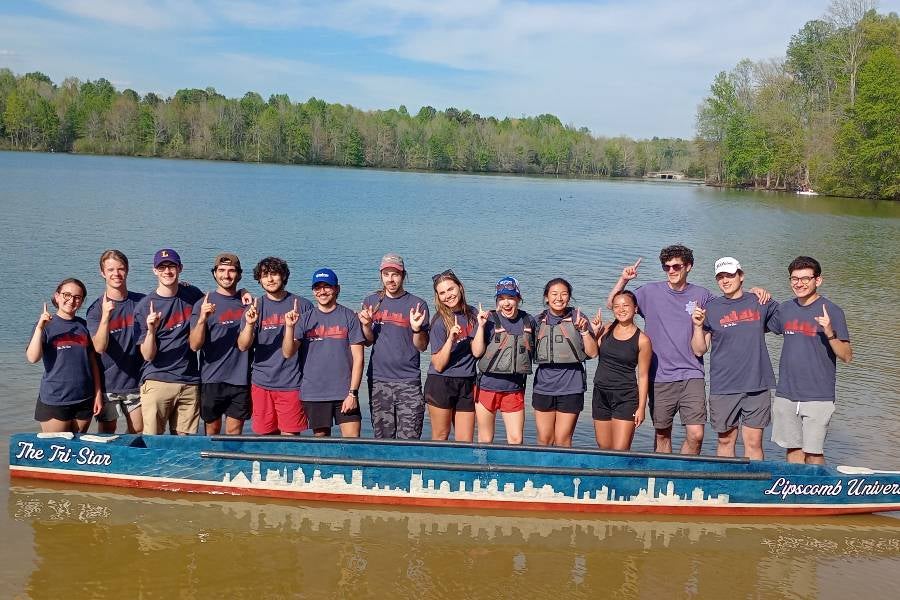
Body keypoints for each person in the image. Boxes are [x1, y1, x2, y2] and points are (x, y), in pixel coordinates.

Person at [608, 245, 769, 455]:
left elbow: (729, 304)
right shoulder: (649, 292)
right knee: (662, 434)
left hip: (692, 374)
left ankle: (684, 473)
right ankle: (664, 477)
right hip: (660, 376)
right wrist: (624, 280)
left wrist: (754, 293)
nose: (671, 271)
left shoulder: (702, 296)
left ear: (689, 267)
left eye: (676, 266)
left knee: (696, 434)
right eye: (667, 267)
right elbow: (615, 305)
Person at [690, 257, 778, 459]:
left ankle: (755, 488)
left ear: (741, 276)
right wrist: (696, 326)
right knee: (725, 440)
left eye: (729, 275)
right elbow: (699, 350)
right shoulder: (711, 308)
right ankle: (725, 486)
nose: (725, 280)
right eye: (720, 277)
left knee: (754, 442)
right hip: (724, 385)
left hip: (756, 384)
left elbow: (788, 321)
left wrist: (763, 292)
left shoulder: (759, 301)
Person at [768, 256, 851, 465]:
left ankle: (821, 494)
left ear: (818, 280)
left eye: (805, 278)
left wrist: (830, 332)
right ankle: (796, 494)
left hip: (818, 395)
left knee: (814, 453)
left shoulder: (832, 311)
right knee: (793, 449)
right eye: (794, 279)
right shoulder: (785, 309)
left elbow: (847, 356)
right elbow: (757, 322)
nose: (799, 283)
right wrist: (759, 294)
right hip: (786, 393)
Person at [283, 268, 365, 437]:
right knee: (321, 444)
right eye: (317, 287)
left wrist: (353, 393)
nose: (322, 291)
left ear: (337, 289)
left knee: (353, 442)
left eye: (327, 286)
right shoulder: (305, 319)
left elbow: (359, 359)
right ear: (313, 291)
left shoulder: (349, 317)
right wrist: (290, 327)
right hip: (314, 393)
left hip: (345, 392)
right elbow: (287, 353)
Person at [358, 253, 430, 439]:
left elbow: (422, 346)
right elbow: (368, 341)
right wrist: (366, 325)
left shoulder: (418, 304)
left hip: (408, 381)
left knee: (410, 438)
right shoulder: (371, 301)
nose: (390, 279)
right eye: (386, 274)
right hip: (378, 380)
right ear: (381, 275)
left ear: (403, 275)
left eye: (395, 274)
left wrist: (416, 329)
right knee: (383, 439)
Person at [133, 249, 205, 435]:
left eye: (171, 266)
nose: (167, 271)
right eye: (162, 267)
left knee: (184, 445)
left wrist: (243, 291)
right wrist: (151, 330)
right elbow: (147, 355)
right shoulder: (145, 306)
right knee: (153, 442)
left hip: (189, 381)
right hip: (157, 380)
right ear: (154, 271)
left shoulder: (191, 294)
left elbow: (217, 300)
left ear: (180, 268)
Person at [237, 256, 311, 435]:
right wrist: (250, 324)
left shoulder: (303, 305)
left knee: (290, 437)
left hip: (292, 383)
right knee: (265, 437)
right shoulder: (255, 307)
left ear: (284, 276)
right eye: (264, 275)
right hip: (262, 383)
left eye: (274, 274)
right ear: (259, 280)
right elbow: (243, 345)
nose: (270, 279)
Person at [26, 278, 103, 433]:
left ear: (81, 301)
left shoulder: (84, 325)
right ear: (57, 296)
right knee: (56, 452)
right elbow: (33, 358)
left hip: (84, 398)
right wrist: (40, 327)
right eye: (66, 295)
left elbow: (92, 361)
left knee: (76, 451)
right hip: (55, 399)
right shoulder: (46, 325)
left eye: (77, 297)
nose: (71, 300)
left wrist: (98, 393)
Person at [189, 253, 251, 435]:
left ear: (239, 274)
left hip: (240, 379)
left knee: (234, 433)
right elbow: (194, 345)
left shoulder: (248, 303)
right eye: (221, 270)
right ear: (214, 273)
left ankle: (233, 464)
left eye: (231, 271)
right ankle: (213, 464)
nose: (226, 275)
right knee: (212, 432)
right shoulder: (203, 304)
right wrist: (202, 319)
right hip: (211, 379)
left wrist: (246, 293)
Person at [532, 278, 598, 447]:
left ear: (569, 297)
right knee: (544, 439)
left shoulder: (578, 318)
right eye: (554, 294)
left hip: (571, 386)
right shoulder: (537, 321)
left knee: (563, 440)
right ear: (546, 297)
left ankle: (562, 472)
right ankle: (542, 472)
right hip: (544, 386)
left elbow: (592, 352)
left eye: (564, 294)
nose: (559, 298)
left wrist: (584, 331)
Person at [86, 249, 145, 434]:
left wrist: (182, 287)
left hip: (136, 382)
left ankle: (132, 462)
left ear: (127, 270)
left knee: (138, 430)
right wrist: (106, 317)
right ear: (102, 272)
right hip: (107, 384)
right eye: (110, 269)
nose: (116, 274)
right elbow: (99, 347)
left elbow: (164, 299)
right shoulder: (96, 309)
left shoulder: (140, 302)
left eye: (120, 269)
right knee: (106, 432)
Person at [471, 276, 535, 444]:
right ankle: (482, 470)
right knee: (485, 438)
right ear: (497, 300)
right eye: (502, 298)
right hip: (486, 387)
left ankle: (511, 470)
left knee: (516, 439)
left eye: (511, 298)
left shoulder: (529, 321)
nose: (506, 303)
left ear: (519, 298)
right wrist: (481, 326)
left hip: (513, 389)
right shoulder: (489, 319)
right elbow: (477, 352)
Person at [590, 290, 651, 451]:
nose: (621, 309)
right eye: (616, 306)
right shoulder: (607, 329)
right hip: (601, 394)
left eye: (626, 305)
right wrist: (594, 333)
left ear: (635, 308)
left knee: (620, 450)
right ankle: (604, 477)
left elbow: (643, 376)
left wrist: (641, 408)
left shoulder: (643, 340)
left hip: (626, 398)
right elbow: (592, 353)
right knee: (604, 448)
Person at [425, 270, 478, 442]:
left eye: (451, 289)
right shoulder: (439, 321)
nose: (448, 295)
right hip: (441, 382)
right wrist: (450, 340)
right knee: (441, 436)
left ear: (460, 288)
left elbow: (478, 351)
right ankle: (437, 469)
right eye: (442, 293)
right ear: (438, 297)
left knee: (465, 440)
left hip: (467, 381)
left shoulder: (473, 314)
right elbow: (438, 365)